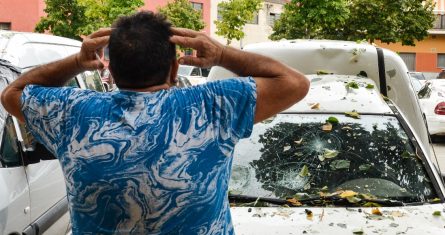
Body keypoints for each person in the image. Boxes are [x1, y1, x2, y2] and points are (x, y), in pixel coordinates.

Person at [1, 11, 309, 234]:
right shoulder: (212, 107)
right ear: (175, 69)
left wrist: (78, 61)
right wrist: (221, 54)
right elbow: (294, 83)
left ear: (112, 72)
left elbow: (12, 93)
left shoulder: (74, 114)